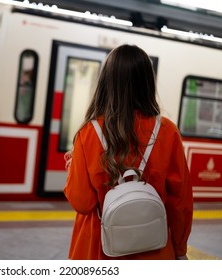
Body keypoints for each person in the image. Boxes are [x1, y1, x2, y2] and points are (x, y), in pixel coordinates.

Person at [63, 44, 193, 260]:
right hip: (154, 251)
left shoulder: (89, 133)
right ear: (147, 82)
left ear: (106, 82)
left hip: (98, 248)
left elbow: (82, 203)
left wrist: (72, 169)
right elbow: (181, 202)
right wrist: (179, 250)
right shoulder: (167, 131)